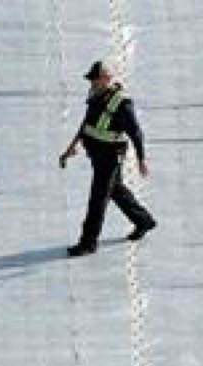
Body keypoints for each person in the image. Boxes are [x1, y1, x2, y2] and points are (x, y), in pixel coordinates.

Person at [60, 61, 157, 256]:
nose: (92, 84)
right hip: (96, 155)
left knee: (98, 198)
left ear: (107, 79)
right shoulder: (95, 97)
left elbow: (136, 133)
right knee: (116, 191)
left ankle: (88, 242)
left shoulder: (121, 104)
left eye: (95, 80)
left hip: (110, 157)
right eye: (91, 80)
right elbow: (86, 124)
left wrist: (141, 159)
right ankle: (144, 221)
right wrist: (72, 147)